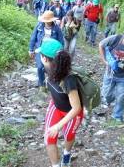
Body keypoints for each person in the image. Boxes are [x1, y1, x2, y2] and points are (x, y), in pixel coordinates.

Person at [36, 38, 83, 167]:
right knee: (49, 138)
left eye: (41, 55)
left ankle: (67, 154)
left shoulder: (69, 80)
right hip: (56, 106)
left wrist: (58, 126)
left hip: (72, 112)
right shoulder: (48, 68)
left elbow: (76, 108)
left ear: (45, 58)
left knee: (69, 135)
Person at [29, 11, 64, 93]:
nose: (47, 22)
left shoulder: (56, 28)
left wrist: (60, 51)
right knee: (40, 67)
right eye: (46, 20)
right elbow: (33, 38)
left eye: (48, 20)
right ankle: (42, 85)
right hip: (40, 49)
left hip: (52, 51)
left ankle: (52, 83)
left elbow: (61, 41)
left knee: (52, 68)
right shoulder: (39, 26)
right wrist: (31, 49)